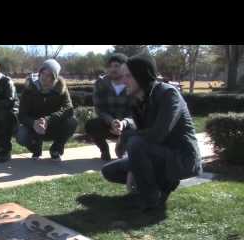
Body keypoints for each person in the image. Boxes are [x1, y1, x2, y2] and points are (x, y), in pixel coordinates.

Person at [101, 53, 202, 211]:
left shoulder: (168, 94)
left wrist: (126, 138)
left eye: (128, 76)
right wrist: (132, 160)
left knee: (134, 142)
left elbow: (157, 134)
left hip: (182, 158)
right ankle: (160, 186)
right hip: (158, 154)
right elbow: (141, 132)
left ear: (142, 76)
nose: (123, 80)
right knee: (109, 171)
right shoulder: (137, 99)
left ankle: (150, 198)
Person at [16, 59, 77, 161]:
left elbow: (69, 109)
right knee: (21, 134)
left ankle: (56, 150)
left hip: (53, 125)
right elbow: (22, 114)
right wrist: (34, 123)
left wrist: (48, 120)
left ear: (55, 78)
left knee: (72, 122)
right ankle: (36, 149)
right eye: (43, 73)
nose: (44, 77)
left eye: (49, 75)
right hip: (34, 128)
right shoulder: (29, 88)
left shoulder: (61, 88)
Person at [85, 53, 132, 161]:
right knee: (91, 125)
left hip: (128, 124)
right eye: (110, 66)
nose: (113, 69)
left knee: (140, 125)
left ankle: (123, 148)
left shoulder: (132, 83)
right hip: (108, 123)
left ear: (125, 68)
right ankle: (104, 150)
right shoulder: (101, 83)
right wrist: (112, 122)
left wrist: (123, 123)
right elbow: (99, 109)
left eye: (117, 66)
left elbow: (135, 110)